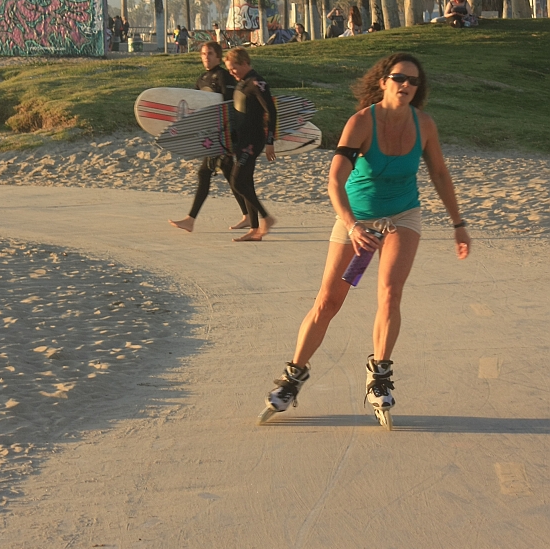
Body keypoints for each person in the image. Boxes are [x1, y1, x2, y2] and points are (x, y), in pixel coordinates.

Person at [260, 52, 470, 421]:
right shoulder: (361, 122)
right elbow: (335, 180)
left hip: (403, 214)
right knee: (329, 301)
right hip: (356, 217)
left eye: (414, 81)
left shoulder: (425, 124)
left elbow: (439, 174)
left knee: (390, 292)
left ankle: (381, 376)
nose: (406, 85)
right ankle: (293, 375)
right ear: (383, 81)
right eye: (399, 78)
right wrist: (354, 226)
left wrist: (458, 223)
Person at [169, 42, 249, 234]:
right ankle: (249, 215)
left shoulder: (223, 76)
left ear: (218, 57)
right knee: (231, 176)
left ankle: (190, 219)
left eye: (210, 54)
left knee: (204, 174)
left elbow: (231, 105)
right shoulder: (201, 79)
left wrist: (229, 136)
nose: (206, 57)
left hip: (222, 136)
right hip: (211, 135)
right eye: (203, 54)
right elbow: (198, 109)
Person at [224, 47, 277, 242]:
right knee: (247, 182)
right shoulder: (242, 83)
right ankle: (255, 229)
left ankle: (267, 218)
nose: (231, 72)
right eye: (229, 69)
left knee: (237, 181)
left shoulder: (257, 83)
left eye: (234, 68)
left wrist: (270, 141)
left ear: (245, 63)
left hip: (253, 141)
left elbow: (271, 112)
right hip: (242, 141)